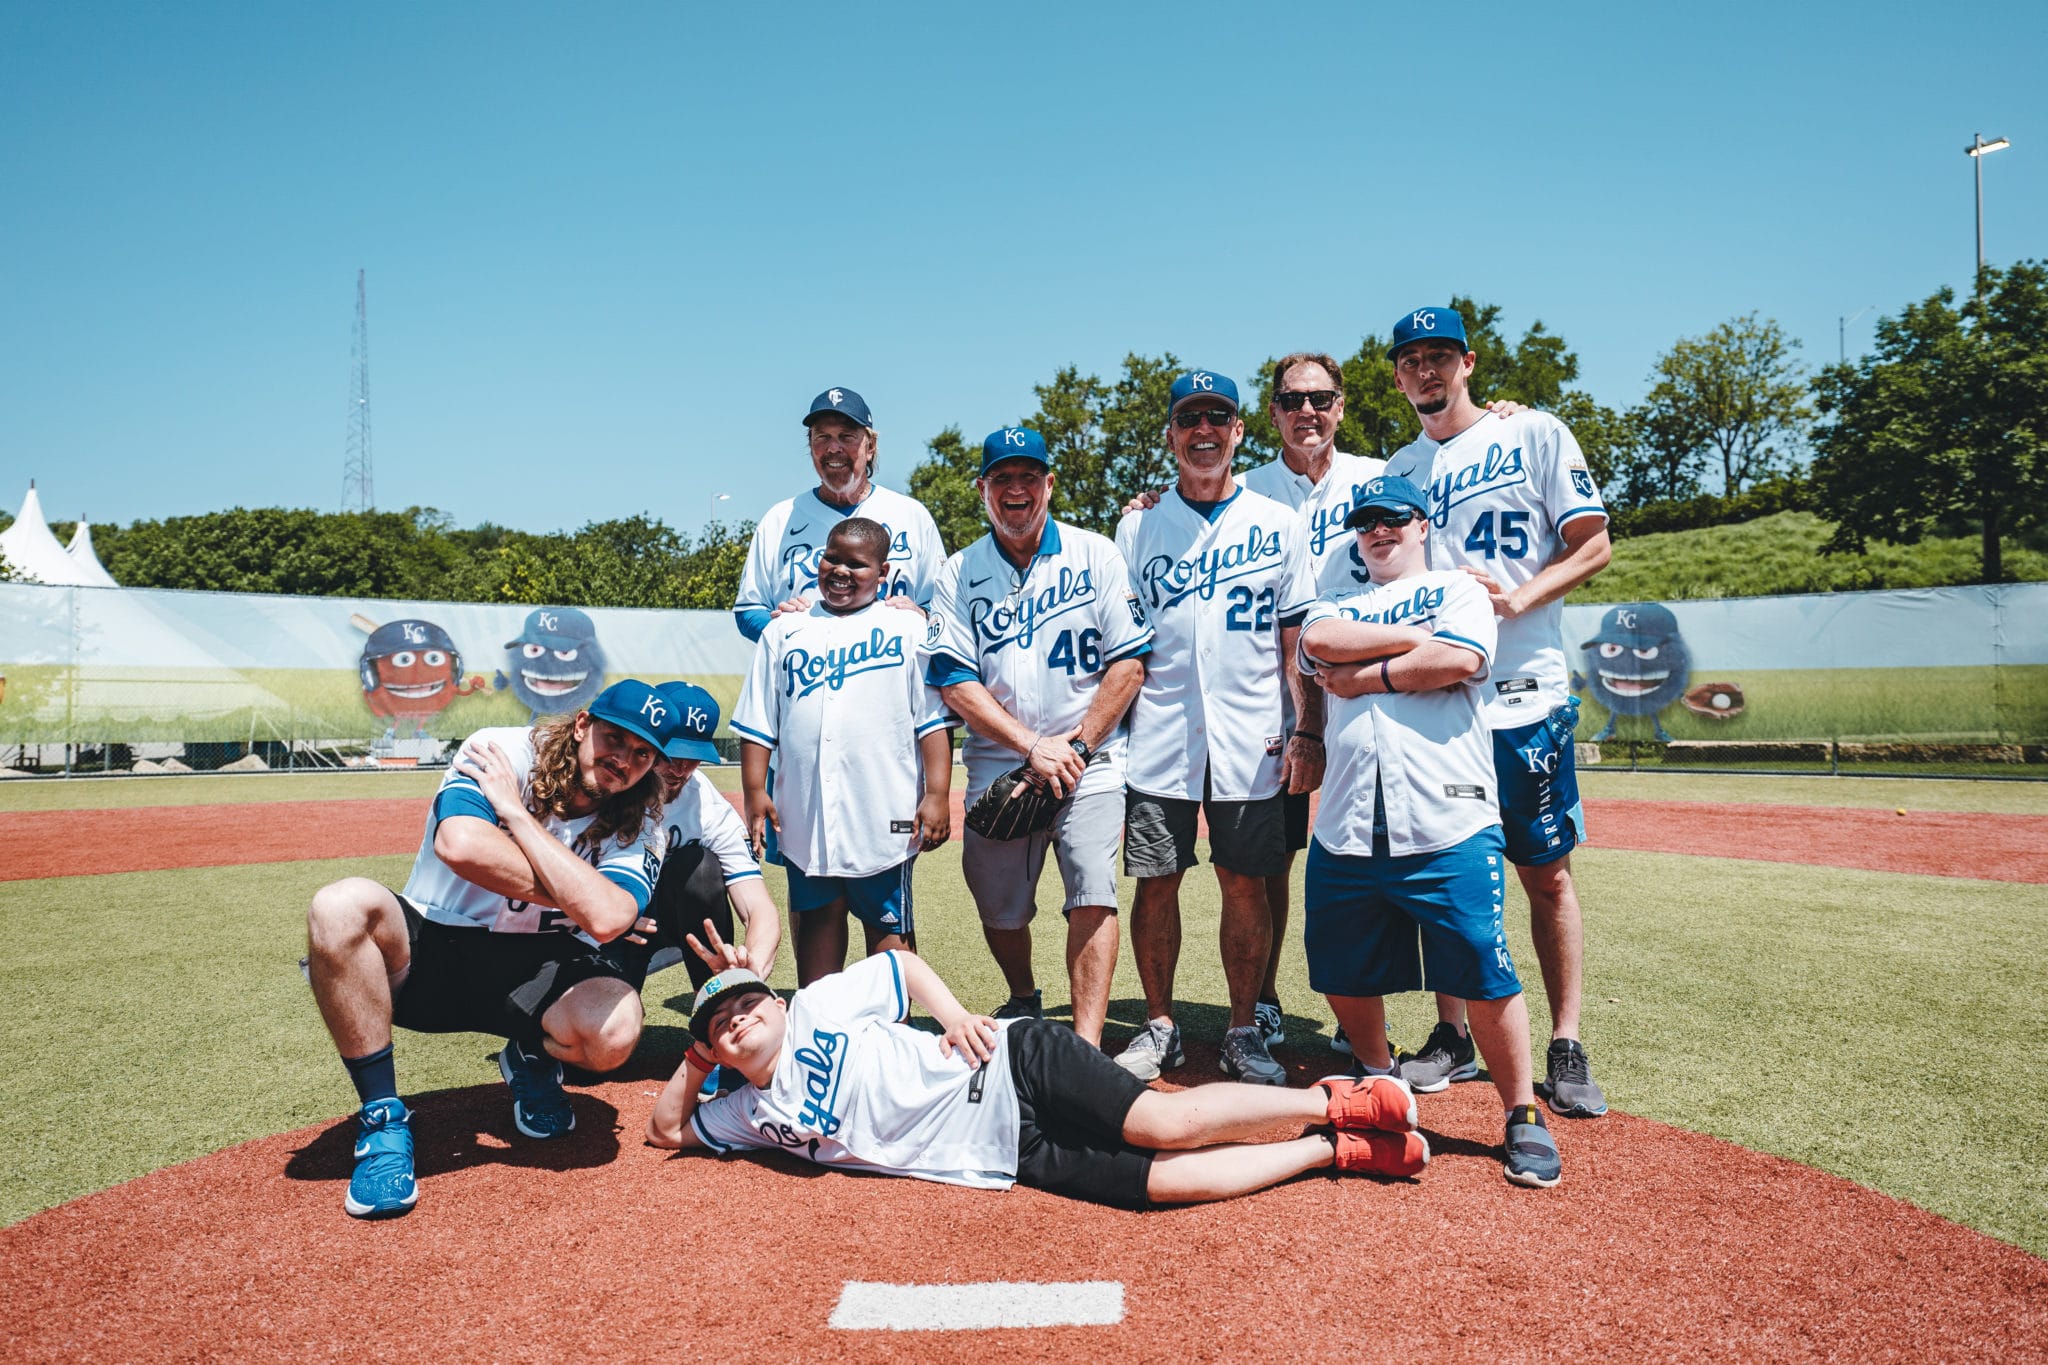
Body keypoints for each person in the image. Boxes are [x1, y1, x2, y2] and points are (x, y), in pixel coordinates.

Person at [304, 679, 692, 1219]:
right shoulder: (501, 751)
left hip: (537, 962)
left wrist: (515, 817)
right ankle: (383, 1123)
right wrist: (580, 888)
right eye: (614, 738)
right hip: (434, 942)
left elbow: (608, 918)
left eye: (642, 753)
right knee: (338, 906)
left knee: (615, 1031)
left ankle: (528, 1054)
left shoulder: (645, 820)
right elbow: (461, 845)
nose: (623, 759)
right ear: (582, 725)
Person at [645, 947, 1429, 1206]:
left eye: (747, 1004)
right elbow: (667, 1130)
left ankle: (1330, 1097)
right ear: (716, 1050)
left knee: (1162, 1122)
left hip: (1011, 1062)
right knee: (1158, 1186)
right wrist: (693, 1060)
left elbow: (901, 963)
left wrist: (952, 1014)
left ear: (776, 1002)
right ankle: (1332, 1150)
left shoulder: (816, 1007)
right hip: (999, 1152)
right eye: (720, 1024)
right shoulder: (746, 1110)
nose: (737, 1019)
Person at [1296, 473, 1562, 1188]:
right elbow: (1319, 642)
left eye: (1394, 518)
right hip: (1350, 822)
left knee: (1483, 966)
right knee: (1338, 964)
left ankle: (1522, 1113)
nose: (1379, 530)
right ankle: (1381, 1080)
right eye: (1367, 522)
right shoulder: (1339, 600)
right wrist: (1413, 644)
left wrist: (1370, 674)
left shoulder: (1460, 590)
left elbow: (1463, 658)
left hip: (1448, 816)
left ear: (1421, 525)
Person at [1380, 306, 1613, 1119]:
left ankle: (1567, 1039)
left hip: (1526, 691)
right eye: (1412, 360)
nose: (1427, 370)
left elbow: (1591, 542)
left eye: (1441, 355)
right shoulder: (1401, 466)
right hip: (1443, 698)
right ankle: (1453, 1035)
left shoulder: (1535, 433)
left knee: (1544, 875)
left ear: (1469, 362)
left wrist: (1517, 598)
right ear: (1399, 375)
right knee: (1446, 876)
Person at [1112, 370, 1317, 1087]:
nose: (1204, 431)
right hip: (1161, 735)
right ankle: (1160, 1025)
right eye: (1189, 418)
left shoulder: (1277, 524)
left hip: (1253, 734)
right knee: (1156, 880)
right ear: (1171, 435)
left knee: (1246, 881)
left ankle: (1240, 1027)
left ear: (1237, 432)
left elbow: (1296, 642)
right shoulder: (1135, 525)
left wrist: (1306, 730)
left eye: (1217, 418)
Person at [924, 427, 1151, 1044]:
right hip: (1002, 762)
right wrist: (1033, 748)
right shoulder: (958, 570)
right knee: (1000, 909)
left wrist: (1075, 748)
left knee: (1093, 890)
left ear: (1049, 484)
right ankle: (1024, 997)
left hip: (1091, 759)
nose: (1016, 489)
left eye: (1029, 477)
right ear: (983, 490)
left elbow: (1128, 663)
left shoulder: (1094, 553)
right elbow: (953, 680)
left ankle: (1084, 1044)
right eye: (1003, 479)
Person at [732, 517, 954, 985]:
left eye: (858, 564)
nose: (841, 571)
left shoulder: (906, 629)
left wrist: (936, 795)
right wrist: (755, 789)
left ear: (884, 571)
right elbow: (758, 722)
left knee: (889, 935)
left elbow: (931, 724)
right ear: (819, 558)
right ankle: (821, 1021)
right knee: (816, 922)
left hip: (883, 812)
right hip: (805, 815)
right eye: (833, 557)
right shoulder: (784, 629)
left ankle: (892, 1033)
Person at [731, 387, 945, 642]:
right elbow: (748, 610)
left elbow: (944, 608)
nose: (834, 448)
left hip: (889, 670)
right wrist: (784, 629)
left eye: (847, 436)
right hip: (807, 673)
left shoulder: (911, 515)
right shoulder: (779, 519)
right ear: (810, 445)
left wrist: (922, 613)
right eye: (822, 437)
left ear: (870, 446)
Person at [631, 680, 781, 994]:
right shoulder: (609, 784)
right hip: (610, 920)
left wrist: (750, 966)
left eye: (693, 756)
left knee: (701, 867)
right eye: (671, 754)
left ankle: (715, 1006)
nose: (682, 769)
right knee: (604, 1030)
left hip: (670, 921)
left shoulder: (708, 806)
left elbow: (760, 909)